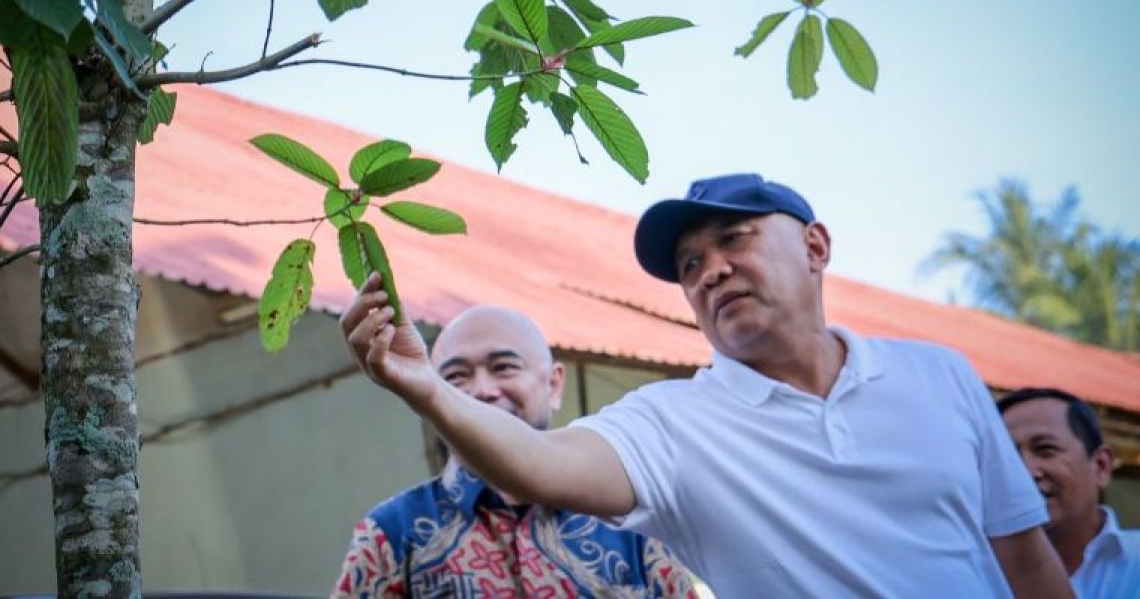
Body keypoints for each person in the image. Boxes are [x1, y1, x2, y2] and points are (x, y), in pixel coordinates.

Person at [342, 172, 1074, 597]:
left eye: (734, 239)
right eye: (689, 264)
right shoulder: (673, 424)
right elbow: (546, 465)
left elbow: (1026, 560)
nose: (711, 270)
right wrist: (425, 391)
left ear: (815, 246)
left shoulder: (939, 374)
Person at [330, 304, 699, 598]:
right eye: (456, 377)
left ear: (554, 384)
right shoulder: (392, 533)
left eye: (504, 367)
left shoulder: (630, 521)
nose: (483, 390)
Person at [999, 387, 1140, 597]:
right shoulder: (975, 576)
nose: (1025, 472)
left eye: (1045, 450)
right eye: (1009, 457)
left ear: (1101, 466)